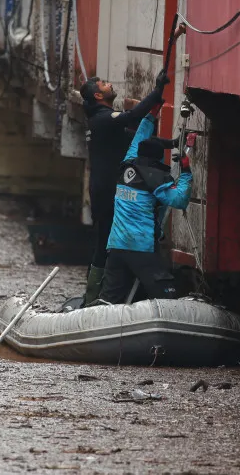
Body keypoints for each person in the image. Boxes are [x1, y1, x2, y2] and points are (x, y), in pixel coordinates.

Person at [79, 71, 177, 304]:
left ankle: (116, 293)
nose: (110, 83)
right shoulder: (102, 119)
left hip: (109, 190)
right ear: (98, 94)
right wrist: (156, 91)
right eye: (104, 83)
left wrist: (172, 143)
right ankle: (93, 296)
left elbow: (140, 140)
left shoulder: (105, 123)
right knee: (105, 242)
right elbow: (133, 115)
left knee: (112, 241)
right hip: (107, 193)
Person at [92, 107, 193, 305]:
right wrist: (186, 169)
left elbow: (139, 138)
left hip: (116, 246)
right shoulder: (156, 179)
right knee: (167, 296)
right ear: (158, 159)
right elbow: (179, 200)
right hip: (141, 247)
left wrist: (152, 112)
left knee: (109, 300)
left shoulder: (126, 166)